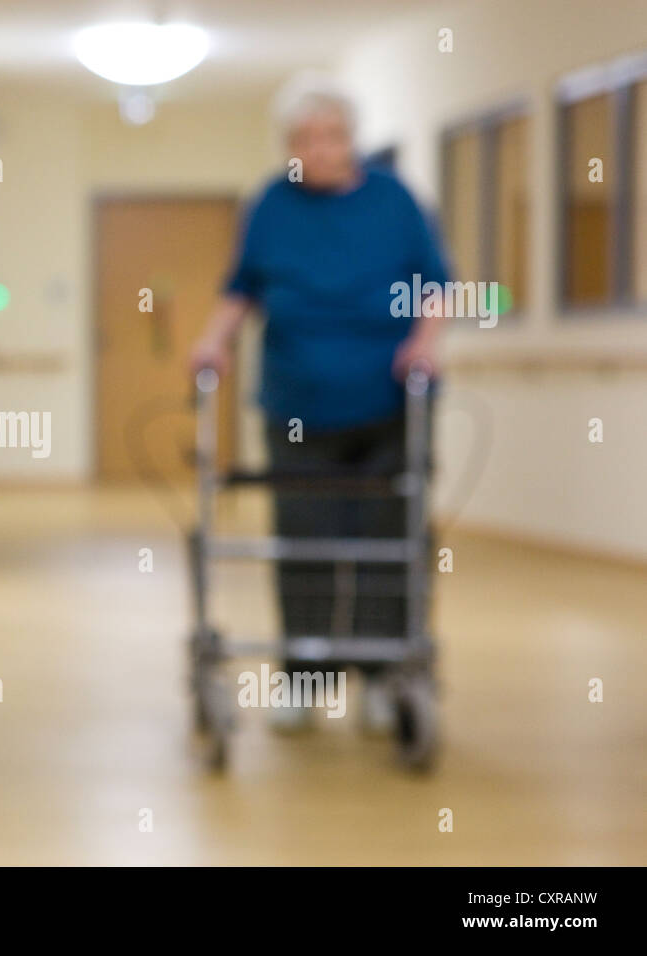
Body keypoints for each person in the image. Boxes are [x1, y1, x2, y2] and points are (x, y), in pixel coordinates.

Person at [189, 74, 450, 732]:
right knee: (304, 538)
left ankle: (384, 673)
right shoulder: (270, 206)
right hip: (296, 403)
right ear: (287, 145)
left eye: (329, 137)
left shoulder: (395, 202)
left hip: (389, 402)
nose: (316, 149)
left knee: (390, 537)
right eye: (301, 139)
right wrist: (212, 341)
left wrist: (424, 344)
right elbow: (241, 289)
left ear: (350, 140)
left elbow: (438, 289)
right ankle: (307, 676)